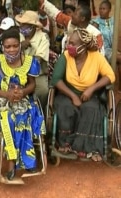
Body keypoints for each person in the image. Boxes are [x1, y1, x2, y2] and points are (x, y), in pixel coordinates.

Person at [0, 28, 45, 180]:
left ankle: (29, 161)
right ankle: (12, 163)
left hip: (23, 99)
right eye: (7, 47)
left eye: (14, 46)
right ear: (3, 47)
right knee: (9, 119)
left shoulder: (29, 61)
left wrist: (23, 92)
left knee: (24, 117)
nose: (11, 49)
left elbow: (32, 84)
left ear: (20, 45)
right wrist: (7, 94)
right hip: (3, 100)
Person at [51, 28, 115, 162]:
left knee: (91, 109)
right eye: (69, 42)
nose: (70, 46)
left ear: (84, 46)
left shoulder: (96, 57)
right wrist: (73, 96)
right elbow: (56, 79)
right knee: (65, 107)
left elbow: (110, 76)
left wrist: (91, 89)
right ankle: (65, 144)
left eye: (73, 44)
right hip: (67, 93)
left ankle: (87, 148)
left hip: (89, 94)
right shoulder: (66, 56)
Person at [39, 0, 105, 55]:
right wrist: (43, 2)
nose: (72, 15)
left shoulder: (96, 34)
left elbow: (99, 55)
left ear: (82, 18)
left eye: (75, 14)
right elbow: (56, 14)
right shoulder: (70, 23)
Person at [15, 10, 50, 112]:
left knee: (43, 91)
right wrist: (20, 46)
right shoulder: (18, 36)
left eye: (25, 25)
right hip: (18, 72)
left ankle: (40, 111)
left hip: (38, 74)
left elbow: (38, 60)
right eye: (21, 24)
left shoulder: (43, 37)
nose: (22, 27)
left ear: (33, 26)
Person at [91, 0, 121, 92]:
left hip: (114, 49)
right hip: (104, 50)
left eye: (104, 9)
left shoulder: (114, 21)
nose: (101, 11)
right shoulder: (96, 22)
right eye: (100, 9)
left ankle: (117, 88)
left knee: (118, 63)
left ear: (109, 10)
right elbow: (93, 36)